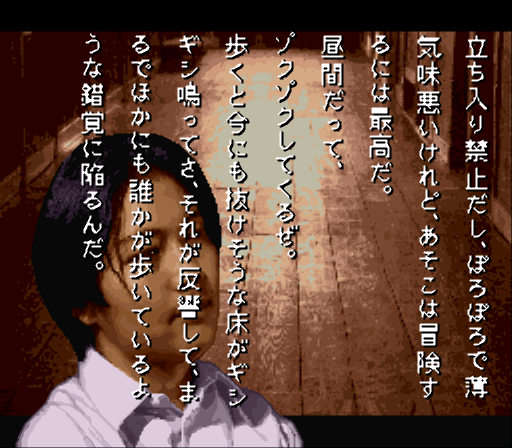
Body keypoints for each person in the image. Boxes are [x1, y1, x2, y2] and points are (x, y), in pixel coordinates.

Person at [17, 134, 302, 447]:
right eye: (146, 253)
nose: (189, 271)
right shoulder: (59, 437)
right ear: (82, 300)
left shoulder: (262, 426)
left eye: (195, 236)